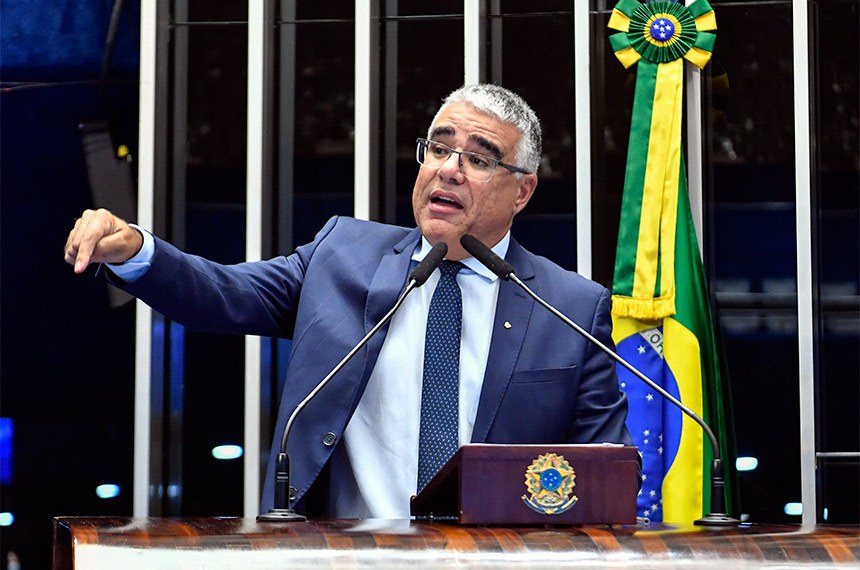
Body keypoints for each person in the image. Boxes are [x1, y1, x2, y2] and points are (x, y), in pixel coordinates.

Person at [64, 84, 634, 519]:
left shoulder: (570, 308)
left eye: (480, 159)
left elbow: (607, 478)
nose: (448, 169)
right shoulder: (342, 257)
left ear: (523, 190)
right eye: (439, 148)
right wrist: (137, 250)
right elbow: (222, 293)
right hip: (347, 554)